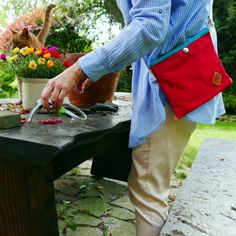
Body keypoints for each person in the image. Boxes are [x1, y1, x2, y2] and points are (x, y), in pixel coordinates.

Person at [41, 1, 225, 235]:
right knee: (153, 185)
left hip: (169, 85)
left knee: (149, 191)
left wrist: (79, 69)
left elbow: (150, 25)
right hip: (190, 75)